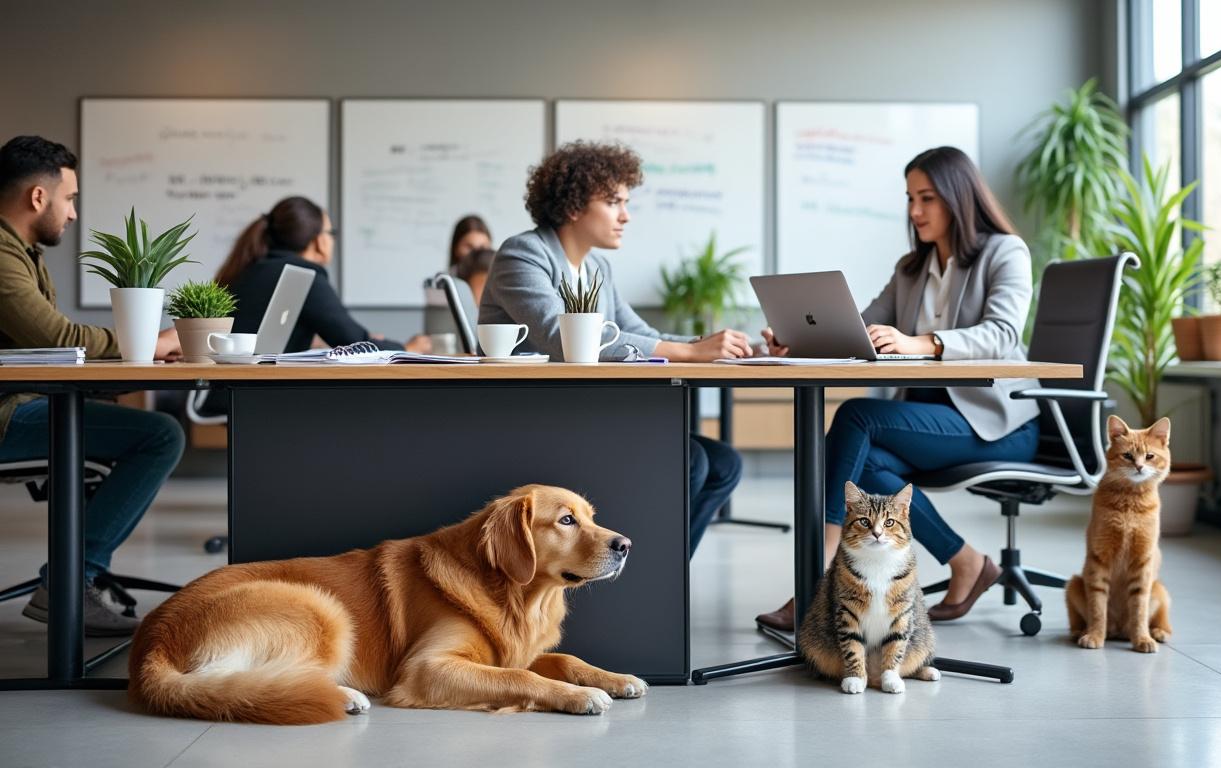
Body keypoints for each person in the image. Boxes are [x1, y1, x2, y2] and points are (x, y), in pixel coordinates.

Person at [755, 146, 1041, 631]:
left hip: (998, 420)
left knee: (857, 418)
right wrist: (798, 340)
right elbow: (861, 327)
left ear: (959, 198)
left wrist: (920, 343)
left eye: (927, 198)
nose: (914, 211)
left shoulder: (1005, 252)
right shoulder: (913, 269)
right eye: (910, 198)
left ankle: (819, 578)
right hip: (935, 418)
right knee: (867, 465)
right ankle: (967, 561)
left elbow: (1003, 333)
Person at [478, 141, 750, 556]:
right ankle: (653, 575)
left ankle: (666, 572)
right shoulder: (524, 254)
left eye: (625, 202)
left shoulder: (597, 268)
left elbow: (637, 331)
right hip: (535, 411)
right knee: (691, 460)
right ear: (572, 206)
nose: (625, 215)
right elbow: (563, 337)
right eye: (612, 202)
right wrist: (691, 354)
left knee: (724, 464)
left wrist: (708, 346)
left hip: (589, 405)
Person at [0, 135, 185, 636]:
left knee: (154, 430)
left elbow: (45, 351)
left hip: (24, 403)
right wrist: (148, 342)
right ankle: (69, 583)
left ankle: (72, 578)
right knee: (161, 434)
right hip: (8, 415)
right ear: (38, 198)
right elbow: (57, 338)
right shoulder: (1, 253)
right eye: (70, 198)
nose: (74, 213)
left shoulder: (21, 251)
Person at [217, 196, 430, 354]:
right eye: (331, 233)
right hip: (244, 400)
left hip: (222, 392)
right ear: (319, 240)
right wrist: (409, 347)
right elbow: (354, 342)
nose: (332, 240)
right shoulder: (301, 276)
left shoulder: (252, 267)